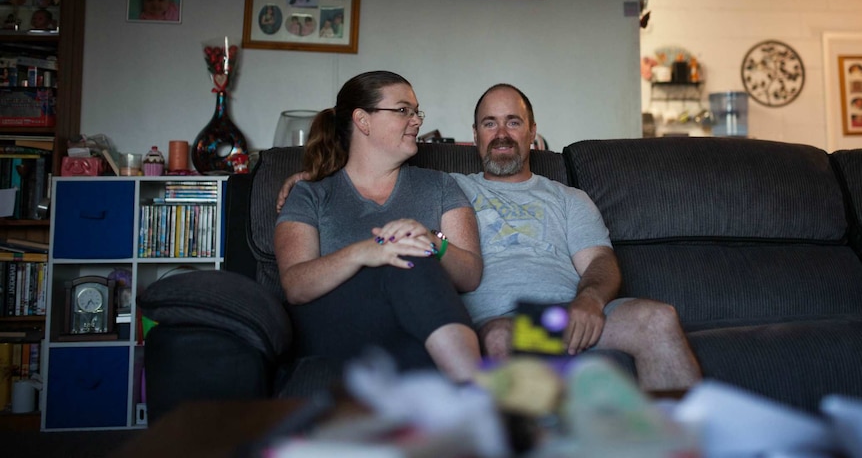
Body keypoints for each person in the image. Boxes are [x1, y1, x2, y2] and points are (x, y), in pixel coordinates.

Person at [279, 84, 702, 391]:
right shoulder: (446, 185)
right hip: (504, 323)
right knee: (503, 337)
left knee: (657, 319)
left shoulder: (570, 198)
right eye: (489, 123)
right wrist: (310, 178)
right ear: (475, 135)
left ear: (532, 130)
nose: (501, 133)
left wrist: (588, 303)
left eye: (513, 122)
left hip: (565, 318)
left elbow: (599, 263)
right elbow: (369, 174)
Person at [275, 70, 483, 382]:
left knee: (415, 251)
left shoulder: (439, 185)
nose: (416, 120)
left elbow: (470, 275)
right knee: (407, 255)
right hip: (335, 328)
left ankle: (459, 398)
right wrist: (367, 252)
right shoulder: (311, 193)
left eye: (416, 111)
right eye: (403, 110)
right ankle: (477, 392)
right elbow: (295, 285)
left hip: (414, 330)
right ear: (362, 120)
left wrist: (429, 239)